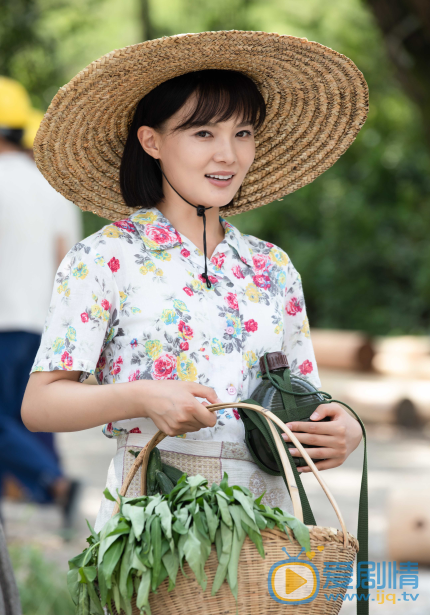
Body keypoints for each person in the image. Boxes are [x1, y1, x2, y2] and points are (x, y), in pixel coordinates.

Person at [21, 31, 368, 533]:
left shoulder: (273, 267)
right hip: (151, 527)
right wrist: (142, 396)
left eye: (244, 133)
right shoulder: (103, 258)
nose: (228, 154)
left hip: (265, 523)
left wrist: (342, 427)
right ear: (152, 141)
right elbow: (40, 405)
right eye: (204, 133)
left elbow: (304, 399)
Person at [0, 76, 82, 527]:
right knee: (23, 416)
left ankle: (54, 483)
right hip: (42, 322)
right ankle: (36, 490)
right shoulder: (51, 187)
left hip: (2, 321)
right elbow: (67, 260)